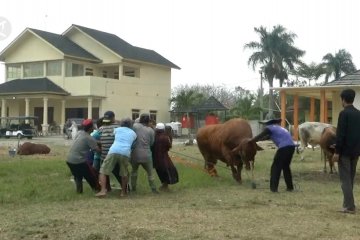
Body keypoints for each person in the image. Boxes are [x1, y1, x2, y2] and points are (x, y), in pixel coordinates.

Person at [332, 89, 360, 214]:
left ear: (343, 99)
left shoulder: (344, 114)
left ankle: (350, 207)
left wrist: (337, 152)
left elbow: (341, 135)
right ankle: (347, 203)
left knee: (345, 180)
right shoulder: (359, 114)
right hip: (356, 152)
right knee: (350, 178)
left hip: (344, 153)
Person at [96, 118, 137, 198]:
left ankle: (103, 190)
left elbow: (112, 136)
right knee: (124, 173)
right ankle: (123, 192)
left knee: (103, 171)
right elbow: (133, 145)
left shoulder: (117, 129)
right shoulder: (134, 134)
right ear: (130, 125)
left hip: (114, 150)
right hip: (125, 152)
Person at [252, 118, 295, 192]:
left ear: (268, 124)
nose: (264, 126)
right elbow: (265, 137)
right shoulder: (279, 128)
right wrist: (258, 140)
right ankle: (290, 187)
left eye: (265, 125)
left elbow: (260, 136)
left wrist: (250, 141)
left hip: (284, 148)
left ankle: (274, 189)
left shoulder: (269, 128)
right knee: (286, 167)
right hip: (291, 147)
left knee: (275, 167)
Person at [66, 119, 100, 193]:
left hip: (69, 159)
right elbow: (97, 150)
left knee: (78, 176)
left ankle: (79, 191)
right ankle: (97, 189)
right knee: (91, 175)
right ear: (91, 128)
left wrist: (97, 142)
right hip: (79, 160)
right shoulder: (89, 138)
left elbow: (85, 140)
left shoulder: (80, 133)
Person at [131, 113, 158, 193]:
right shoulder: (151, 130)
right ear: (148, 121)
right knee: (150, 173)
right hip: (146, 154)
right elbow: (152, 143)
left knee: (134, 171)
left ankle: (133, 188)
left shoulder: (135, 126)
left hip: (135, 154)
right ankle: (153, 189)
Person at [98, 111, 122, 191]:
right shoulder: (118, 127)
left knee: (104, 172)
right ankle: (125, 188)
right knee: (117, 172)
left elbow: (97, 138)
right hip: (114, 154)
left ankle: (107, 188)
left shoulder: (101, 128)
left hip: (105, 154)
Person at [152, 123, 179, 191]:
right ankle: (165, 186)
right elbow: (169, 146)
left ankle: (164, 185)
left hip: (155, 157)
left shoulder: (153, 136)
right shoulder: (165, 137)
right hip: (163, 157)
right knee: (169, 170)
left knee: (160, 171)